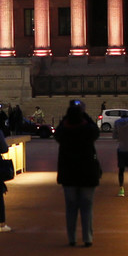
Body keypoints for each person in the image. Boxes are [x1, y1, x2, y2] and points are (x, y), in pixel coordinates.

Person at [55, 101, 101, 246]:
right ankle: (87, 238)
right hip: (87, 173)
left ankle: (72, 238)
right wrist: (83, 113)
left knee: (71, 208)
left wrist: (67, 116)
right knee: (87, 208)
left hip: (69, 174)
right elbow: (96, 130)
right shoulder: (87, 130)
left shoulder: (64, 131)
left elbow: (57, 132)